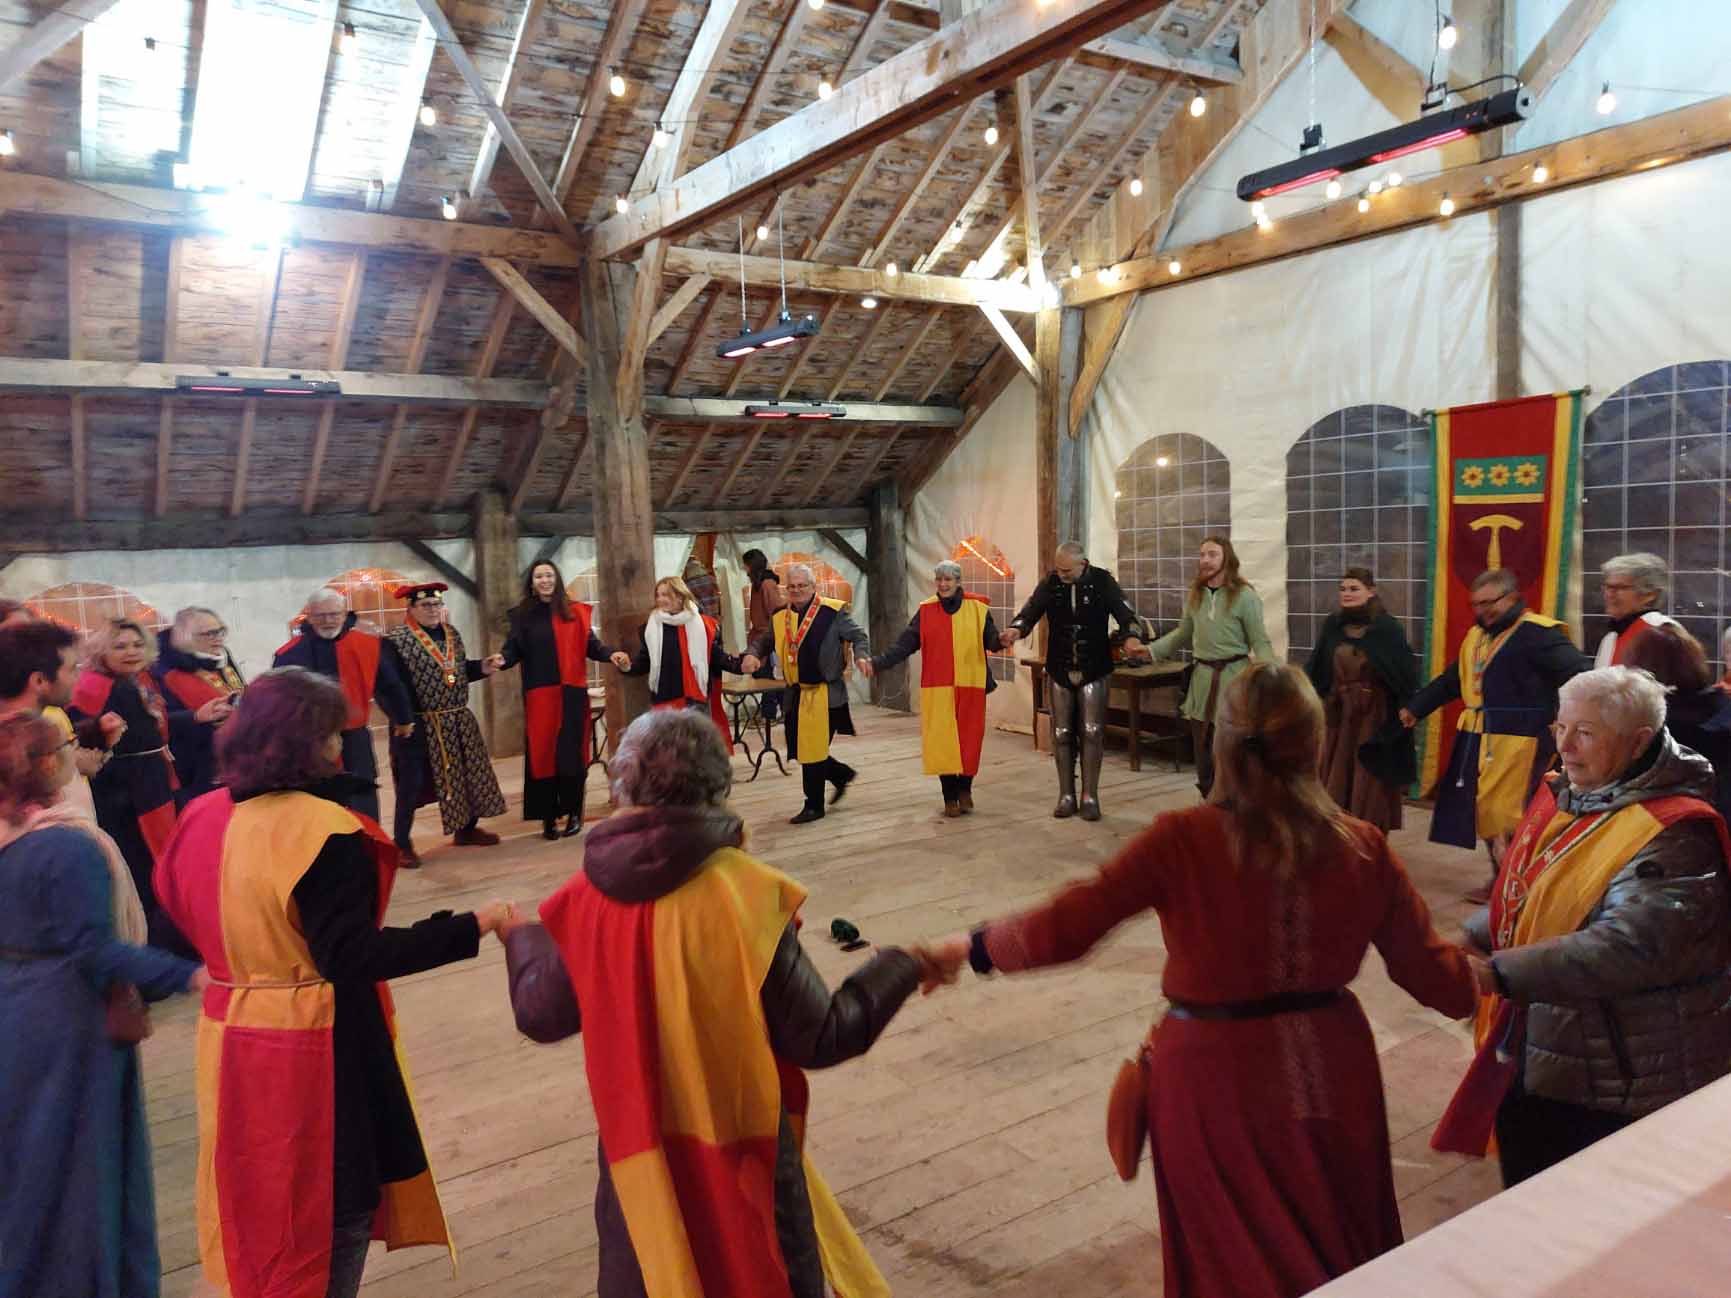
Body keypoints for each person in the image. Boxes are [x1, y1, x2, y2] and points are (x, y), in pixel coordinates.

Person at [922, 664, 1475, 1298]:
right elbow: (1440, 980)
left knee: (1227, 1264)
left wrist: (972, 947)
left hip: (1211, 1082)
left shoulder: (1183, 840)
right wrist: (1499, 975)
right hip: (1334, 1073)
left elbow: (1071, 922)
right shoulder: (1364, 847)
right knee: (1340, 1248)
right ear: (1315, 744)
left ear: (1222, 743)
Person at [501, 709, 940, 1298]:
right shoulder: (745, 894)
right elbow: (822, 1036)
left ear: (624, 784)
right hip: (745, 1157)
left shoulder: (584, 901)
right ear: (716, 786)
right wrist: (906, 963)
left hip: (641, 1161)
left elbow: (540, 1013)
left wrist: (522, 938)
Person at [153, 667, 517, 1298]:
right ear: (306, 742)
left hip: (231, 1032)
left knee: (256, 1193)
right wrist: (471, 926)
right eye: (332, 734)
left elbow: (172, 913)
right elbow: (349, 956)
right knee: (327, 1207)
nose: (341, 746)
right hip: (314, 1043)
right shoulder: (323, 830)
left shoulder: (201, 815)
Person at [1435, 666, 1731, 1187]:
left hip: (1619, 1074)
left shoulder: (1675, 834)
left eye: (1586, 733)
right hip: (1551, 1040)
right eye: (1560, 727)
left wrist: (1497, 973)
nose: (1565, 746)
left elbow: (1629, 947)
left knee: (1580, 1202)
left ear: (1638, 740)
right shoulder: (1578, 793)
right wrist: (1475, 933)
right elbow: (1537, 887)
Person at [0, 712, 203, 1298]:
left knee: (32, 1167)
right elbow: (95, 950)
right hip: (67, 1019)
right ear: (47, 764)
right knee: (83, 1170)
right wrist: (190, 975)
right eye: (66, 744)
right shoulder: (66, 844)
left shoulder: (12, 837)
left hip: (17, 1010)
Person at [1400, 569, 1591, 873]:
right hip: (1477, 734)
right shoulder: (1476, 637)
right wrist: (1416, 707)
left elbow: (1580, 674)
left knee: (1515, 814)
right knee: (1485, 810)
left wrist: (1565, 718)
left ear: (1513, 598)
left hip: (1523, 738)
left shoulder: (1539, 633)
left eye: (1490, 602)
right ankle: (1500, 878)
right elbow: (1452, 681)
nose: (1483, 610)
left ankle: (1523, 881)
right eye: (1476, 604)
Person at [1000, 541, 1149, 820]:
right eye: (1058, 569)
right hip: (1059, 667)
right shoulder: (1051, 583)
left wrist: (1131, 637)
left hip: (1095, 667)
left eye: (1067, 570)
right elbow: (1030, 612)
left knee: (1092, 731)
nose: (1062, 574)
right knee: (1061, 733)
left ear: (1083, 563)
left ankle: (1090, 796)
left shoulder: (1103, 581)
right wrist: (1015, 630)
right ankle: (1066, 795)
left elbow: (1126, 614)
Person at [68, 618, 188, 954]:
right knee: (143, 868)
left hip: (149, 783)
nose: (131, 652)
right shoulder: (94, 686)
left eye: (137, 644)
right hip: (126, 794)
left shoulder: (133, 680)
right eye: (119, 646)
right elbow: (79, 736)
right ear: (100, 651)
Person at [489, 560, 631, 840]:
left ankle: (574, 813)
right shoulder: (523, 615)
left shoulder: (575, 612)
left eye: (549, 575)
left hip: (571, 694)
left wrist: (611, 654)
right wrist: (501, 659)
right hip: (539, 695)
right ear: (532, 582)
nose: (544, 580)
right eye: (539, 576)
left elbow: (593, 646)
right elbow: (513, 649)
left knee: (572, 755)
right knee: (542, 756)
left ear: (557, 579)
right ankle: (548, 817)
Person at [861, 559, 1003, 817]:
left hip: (971, 685)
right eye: (939, 579)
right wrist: (877, 663)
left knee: (969, 740)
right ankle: (949, 797)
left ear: (958, 582)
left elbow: (991, 640)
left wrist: (1002, 639)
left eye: (948, 579)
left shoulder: (977, 608)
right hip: (938, 688)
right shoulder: (926, 611)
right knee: (942, 741)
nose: (943, 584)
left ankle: (965, 790)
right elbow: (904, 645)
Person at [382, 583, 506, 866]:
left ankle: (466, 829)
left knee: (466, 774)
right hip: (417, 724)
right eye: (426, 605)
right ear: (411, 608)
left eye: (437, 604)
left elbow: (455, 672)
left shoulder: (451, 634)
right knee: (411, 784)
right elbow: (389, 686)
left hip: (456, 719)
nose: (433, 610)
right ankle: (401, 844)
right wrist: (402, 720)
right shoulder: (395, 641)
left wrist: (482, 667)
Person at [272, 587, 415, 824]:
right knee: (317, 801)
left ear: (345, 613)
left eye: (334, 614)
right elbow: (278, 701)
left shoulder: (368, 645)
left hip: (355, 738)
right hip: (309, 741)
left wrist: (403, 719)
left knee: (362, 798)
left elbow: (390, 685)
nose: (328, 621)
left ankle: (368, 841)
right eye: (320, 615)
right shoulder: (289, 654)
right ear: (309, 616)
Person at [1146, 535, 1273, 800]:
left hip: (1233, 681)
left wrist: (1268, 677)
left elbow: (1259, 641)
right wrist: (1150, 650)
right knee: (1203, 754)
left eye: (1212, 554)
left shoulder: (1245, 596)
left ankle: (1233, 809)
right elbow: (1183, 633)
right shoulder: (1196, 595)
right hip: (1202, 683)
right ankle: (1210, 803)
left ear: (1227, 558)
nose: (1205, 560)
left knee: (1232, 753)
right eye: (1202, 555)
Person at [744, 563, 871, 824]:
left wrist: (862, 656)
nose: (796, 590)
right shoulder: (780, 616)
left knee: (812, 750)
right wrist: (753, 654)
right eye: (791, 586)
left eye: (802, 585)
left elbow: (859, 636)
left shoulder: (832, 612)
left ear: (813, 587)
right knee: (803, 748)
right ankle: (840, 774)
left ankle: (813, 806)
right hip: (796, 693)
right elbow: (764, 641)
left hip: (826, 693)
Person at [1303, 568, 1419, 831]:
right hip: (1338, 714)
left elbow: (1403, 673)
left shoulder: (1386, 629)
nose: (1347, 594)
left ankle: (1368, 831)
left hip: (1373, 716)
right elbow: (1317, 666)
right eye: (1343, 589)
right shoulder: (1333, 625)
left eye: (1354, 589)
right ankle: (1337, 829)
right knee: (1336, 770)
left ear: (1371, 591)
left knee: (1368, 772)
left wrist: (1406, 707)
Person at [0, 618, 119, 817]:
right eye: (72, 669)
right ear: (39, 681)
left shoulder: (38, 732)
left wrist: (96, 735)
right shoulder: (14, 755)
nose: (79, 677)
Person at [620, 574, 743, 750]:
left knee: (697, 752)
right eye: (658, 595)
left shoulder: (703, 625)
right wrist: (626, 666)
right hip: (666, 699)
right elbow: (644, 662)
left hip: (696, 699)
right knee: (669, 752)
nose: (660, 599)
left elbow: (716, 656)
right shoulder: (651, 628)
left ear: (680, 596)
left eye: (665, 594)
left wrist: (740, 665)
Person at [152, 605, 243, 806]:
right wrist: (197, 717)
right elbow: (159, 721)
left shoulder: (220, 656)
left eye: (221, 631)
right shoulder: (162, 670)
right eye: (209, 634)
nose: (218, 638)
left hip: (234, 755)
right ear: (186, 637)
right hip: (193, 766)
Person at [1594, 552, 1682, 667]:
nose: (1609, 595)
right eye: (1608, 587)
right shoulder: (1610, 638)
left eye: (1620, 588)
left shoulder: (1663, 631)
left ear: (1650, 594)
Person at [742, 547, 786, 721]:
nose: (744, 569)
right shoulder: (758, 583)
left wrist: (771, 635)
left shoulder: (767, 584)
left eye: (746, 565)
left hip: (767, 636)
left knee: (766, 676)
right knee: (763, 675)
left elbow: (777, 611)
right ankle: (779, 710)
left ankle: (770, 713)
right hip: (760, 635)